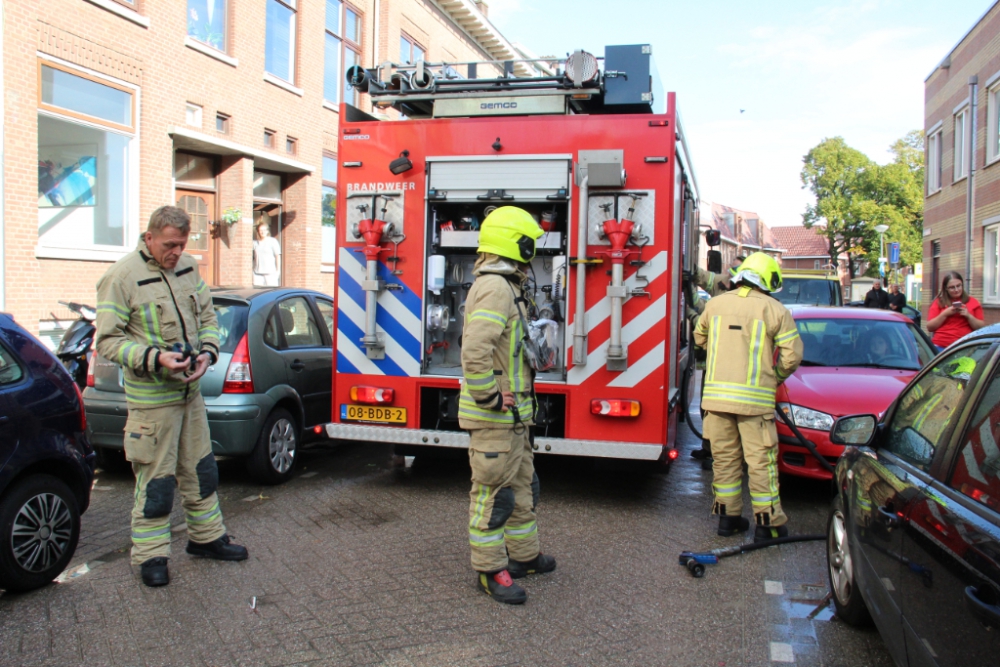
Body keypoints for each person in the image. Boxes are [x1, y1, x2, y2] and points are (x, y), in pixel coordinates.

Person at [95, 205, 248, 587]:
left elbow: (210, 320)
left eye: (182, 244)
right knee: (157, 482)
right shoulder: (121, 277)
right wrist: (154, 358)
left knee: (202, 471)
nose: (177, 252)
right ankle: (151, 556)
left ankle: (207, 538)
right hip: (151, 401)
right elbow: (108, 342)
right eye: (169, 245)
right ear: (149, 238)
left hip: (190, 394)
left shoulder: (189, 268)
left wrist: (209, 355)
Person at [459, 206, 555, 605]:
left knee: (521, 488)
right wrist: (492, 397)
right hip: (495, 416)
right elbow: (475, 349)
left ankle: (523, 557)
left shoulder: (508, 285)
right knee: (493, 495)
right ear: (517, 243)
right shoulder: (496, 288)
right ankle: (489, 570)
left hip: (514, 419)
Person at [693, 252, 803, 541]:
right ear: (767, 280)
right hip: (755, 404)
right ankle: (767, 526)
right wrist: (775, 377)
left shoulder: (715, 305)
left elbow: (699, 338)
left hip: (716, 402)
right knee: (760, 463)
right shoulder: (775, 310)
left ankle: (727, 520)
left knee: (724, 460)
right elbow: (792, 356)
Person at [688, 255, 745, 464]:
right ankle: (709, 447)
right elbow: (704, 278)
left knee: (725, 412)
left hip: (731, 366)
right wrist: (686, 265)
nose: (727, 278)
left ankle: (722, 456)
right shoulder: (723, 284)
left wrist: (691, 315)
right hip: (713, 365)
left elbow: (707, 318)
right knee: (708, 407)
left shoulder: (741, 305)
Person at [926, 271, 984, 349]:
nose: (956, 290)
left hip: (965, 346)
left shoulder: (973, 302)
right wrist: (944, 314)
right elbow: (930, 327)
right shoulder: (938, 303)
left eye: (958, 286)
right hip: (941, 346)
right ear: (946, 288)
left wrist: (968, 316)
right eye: (952, 287)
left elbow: (981, 328)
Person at [252, 216, 281, 286]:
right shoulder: (255, 243)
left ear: (267, 231)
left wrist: (278, 271)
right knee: (258, 293)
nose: (262, 232)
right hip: (257, 274)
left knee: (270, 293)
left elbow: (277, 256)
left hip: (270, 273)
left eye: (264, 230)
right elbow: (252, 257)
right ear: (258, 231)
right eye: (260, 230)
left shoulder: (273, 241)